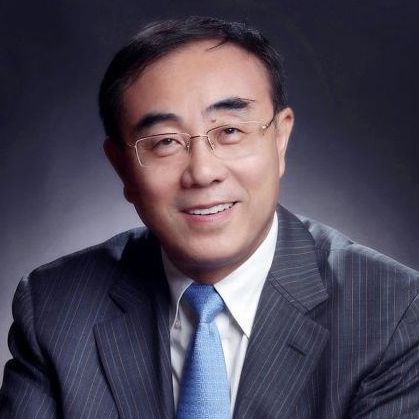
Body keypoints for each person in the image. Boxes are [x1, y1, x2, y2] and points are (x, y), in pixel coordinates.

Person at [1, 16, 419, 419]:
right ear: (122, 168)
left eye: (230, 131)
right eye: (165, 141)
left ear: (280, 139)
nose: (202, 172)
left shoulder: (392, 313)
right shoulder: (55, 308)